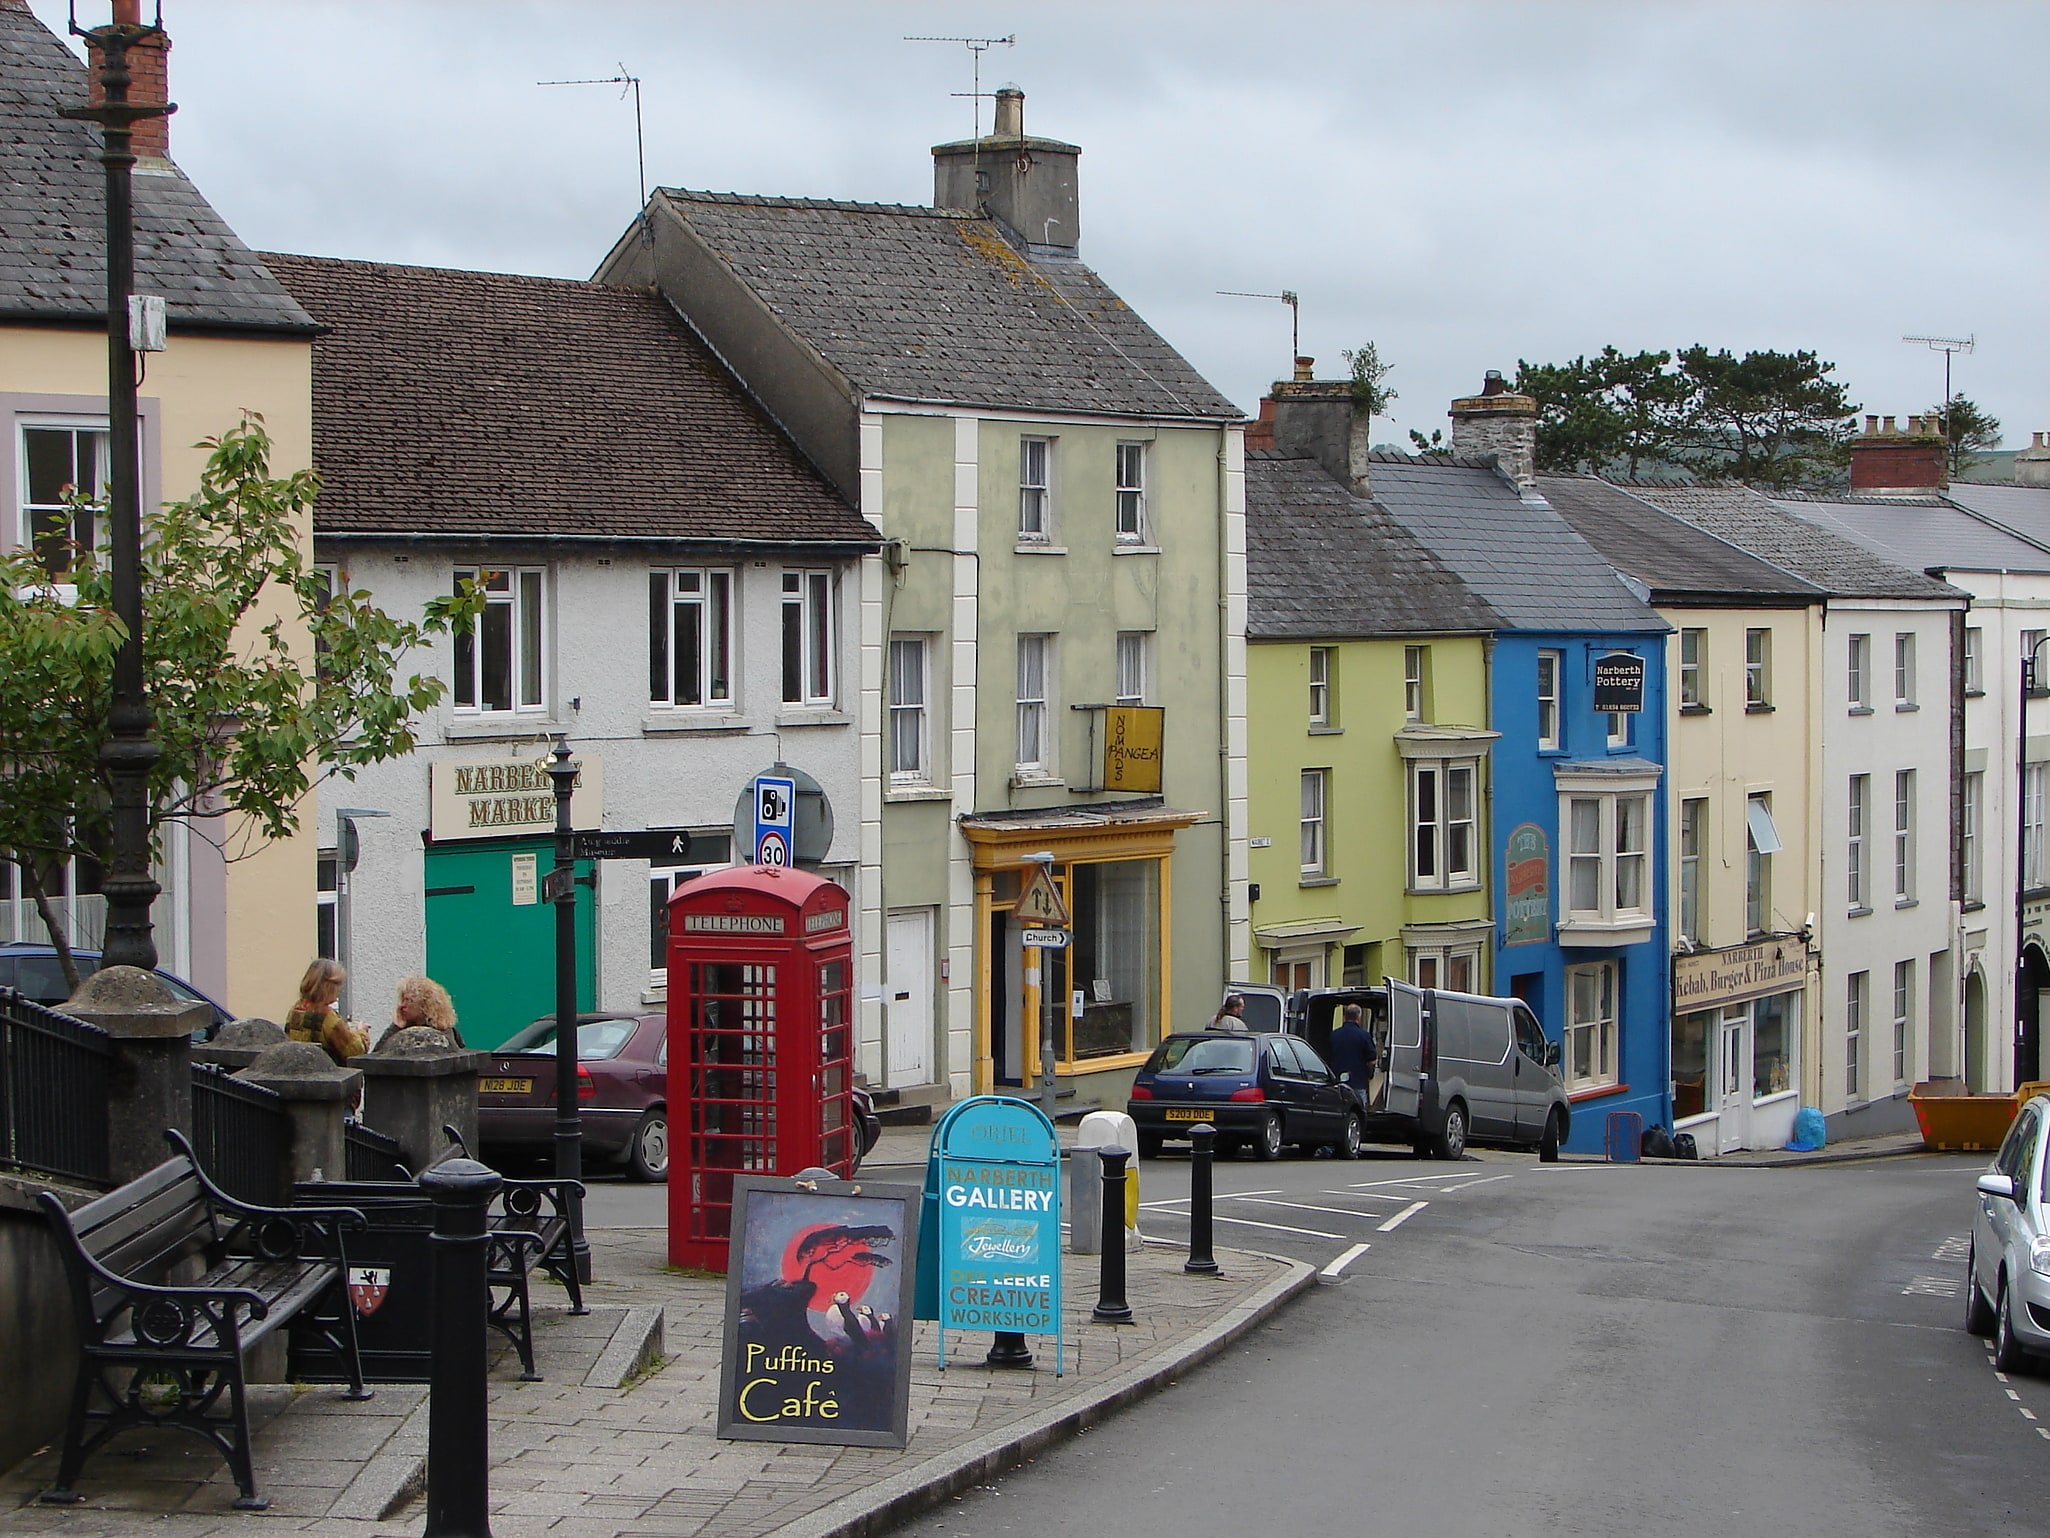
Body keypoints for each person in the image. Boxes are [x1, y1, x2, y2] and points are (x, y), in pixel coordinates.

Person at [284, 957, 370, 1067]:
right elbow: (354, 1050)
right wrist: (362, 1032)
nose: (340, 990)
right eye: (339, 985)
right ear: (329, 987)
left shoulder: (295, 1009)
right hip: (326, 1074)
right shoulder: (327, 1016)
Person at [374, 975, 464, 1051]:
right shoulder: (400, 1029)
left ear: (424, 1004)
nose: (402, 1005)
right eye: (402, 1000)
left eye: (408, 1000)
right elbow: (375, 1058)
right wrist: (396, 1026)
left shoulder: (444, 1032)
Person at [1327, 1002, 1377, 1102]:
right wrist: (1370, 1075)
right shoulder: (1364, 1036)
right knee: (1359, 1111)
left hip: (1338, 1082)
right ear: (1358, 1018)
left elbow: (1329, 1057)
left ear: (1345, 1016)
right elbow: (1371, 1061)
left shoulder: (1334, 1035)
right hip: (1358, 1082)